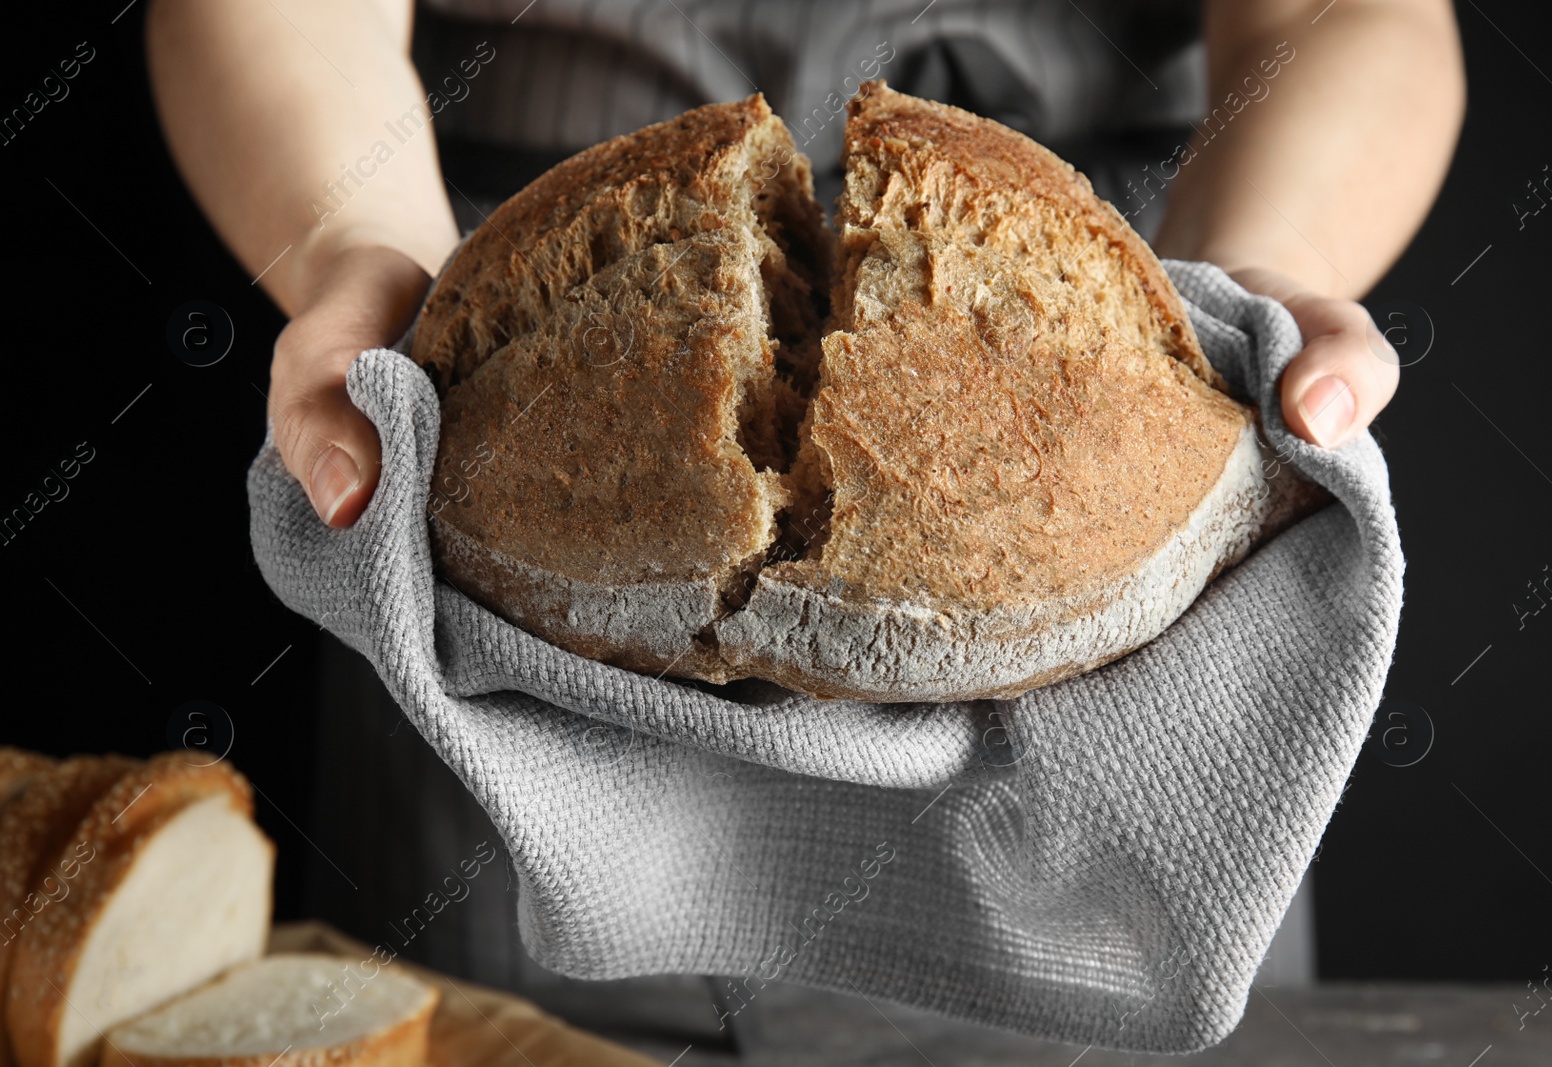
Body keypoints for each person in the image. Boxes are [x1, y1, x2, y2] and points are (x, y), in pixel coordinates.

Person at [147, 0, 1465, 1042]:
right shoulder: (460, 408)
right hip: (528, 357)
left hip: (1088, 316)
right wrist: (356, 253)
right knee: (512, 1032)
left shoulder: (1160, 381)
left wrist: (1232, 292)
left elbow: (1352, 11)